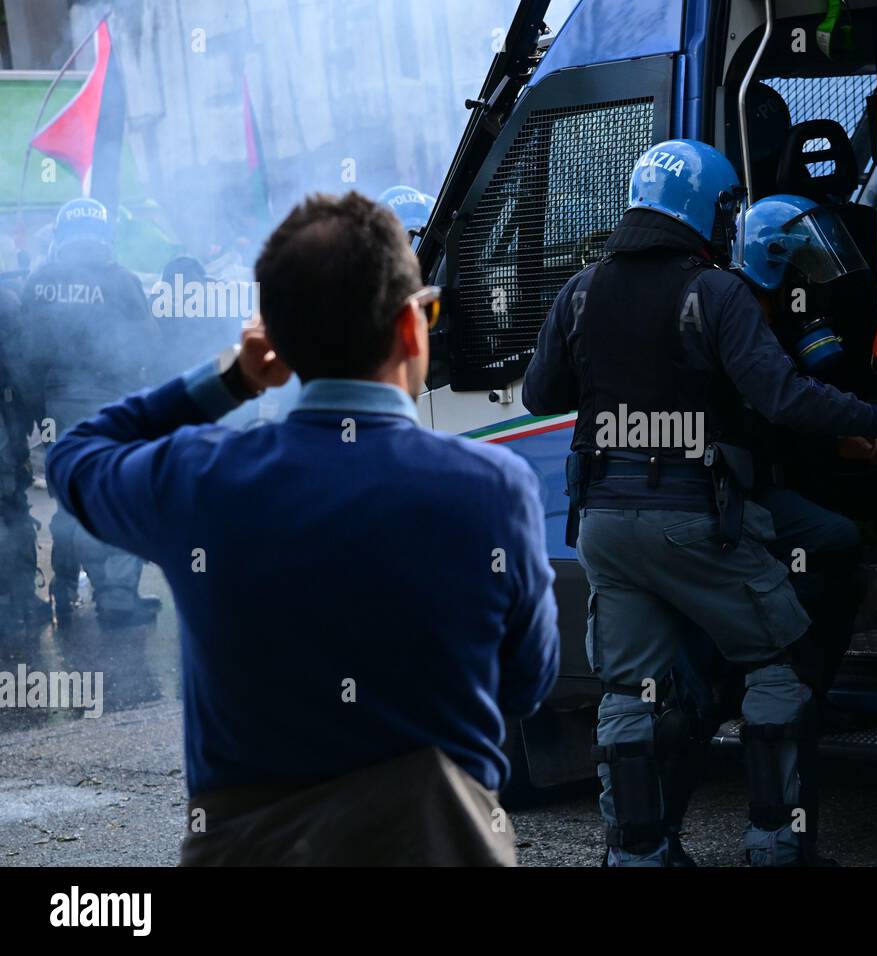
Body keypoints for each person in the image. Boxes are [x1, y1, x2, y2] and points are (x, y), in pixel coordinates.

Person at [46, 192, 560, 865]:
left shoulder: (202, 480)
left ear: (277, 346)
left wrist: (229, 380)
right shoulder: (496, 490)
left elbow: (74, 456)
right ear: (411, 328)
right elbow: (528, 682)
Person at [522, 139, 877, 867]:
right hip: (693, 522)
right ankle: (776, 846)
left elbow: (538, 395)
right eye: (724, 209)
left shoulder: (581, 288)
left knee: (628, 692)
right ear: (706, 211)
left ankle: (637, 854)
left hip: (603, 529)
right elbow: (785, 396)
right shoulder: (712, 292)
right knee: (778, 666)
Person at [734, 193, 877, 695]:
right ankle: (795, 693)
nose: (811, 272)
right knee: (832, 540)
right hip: (724, 493)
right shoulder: (737, 323)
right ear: (771, 261)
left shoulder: (778, 311)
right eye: (801, 260)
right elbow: (765, 427)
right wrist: (839, 443)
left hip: (755, 478)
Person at [20, 198, 162, 629]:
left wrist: (32, 407)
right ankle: (117, 596)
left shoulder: (39, 280)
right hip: (111, 404)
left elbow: (24, 352)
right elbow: (149, 344)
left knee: (67, 499)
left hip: (56, 406)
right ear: (105, 235)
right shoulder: (121, 281)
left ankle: (63, 591)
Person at [0, 284, 49, 634]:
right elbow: (21, 367)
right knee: (11, 504)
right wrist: (35, 415)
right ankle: (16, 599)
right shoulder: (7, 300)